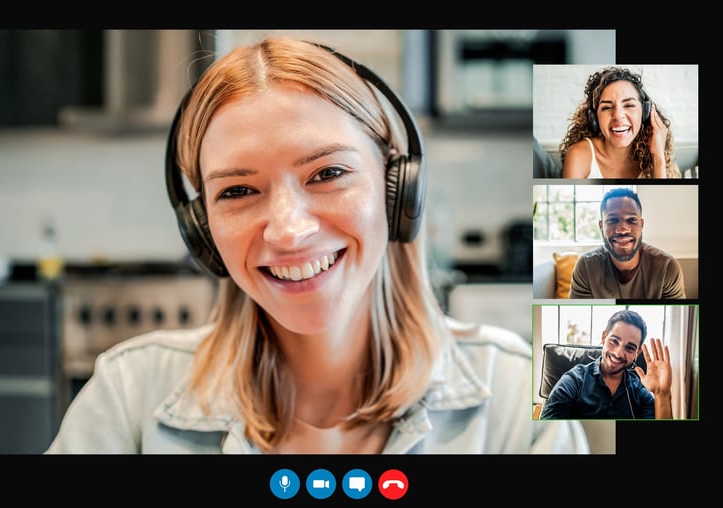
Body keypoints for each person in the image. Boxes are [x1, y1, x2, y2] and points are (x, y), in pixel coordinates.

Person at [46, 37, 588, 454]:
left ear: (396, 188)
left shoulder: (517, 393)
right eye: (237, 190)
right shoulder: (127, 395)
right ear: (201, 228)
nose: (287, 231)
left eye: (327, 172)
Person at [540, 309, 673, 419]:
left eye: (629, 348)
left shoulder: (639, 391)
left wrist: (662, 394)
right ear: (604, 337)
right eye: (614, 341)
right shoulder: (574, 380)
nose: (619, 353)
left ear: (637, 353)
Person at [559, 66, 681, 179]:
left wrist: (658, 157)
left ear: (645, 112)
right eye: (606, 107)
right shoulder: (579, 155)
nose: (618, 116)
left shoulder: (655, 153)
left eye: (628, 105)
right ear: (594, 118)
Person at [569, 187, 685, 300]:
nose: (623, 229)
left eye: (631, 220)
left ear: (641, 224)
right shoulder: (586, 267)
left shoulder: (667, 268)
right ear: (601, 226)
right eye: (613, 220)